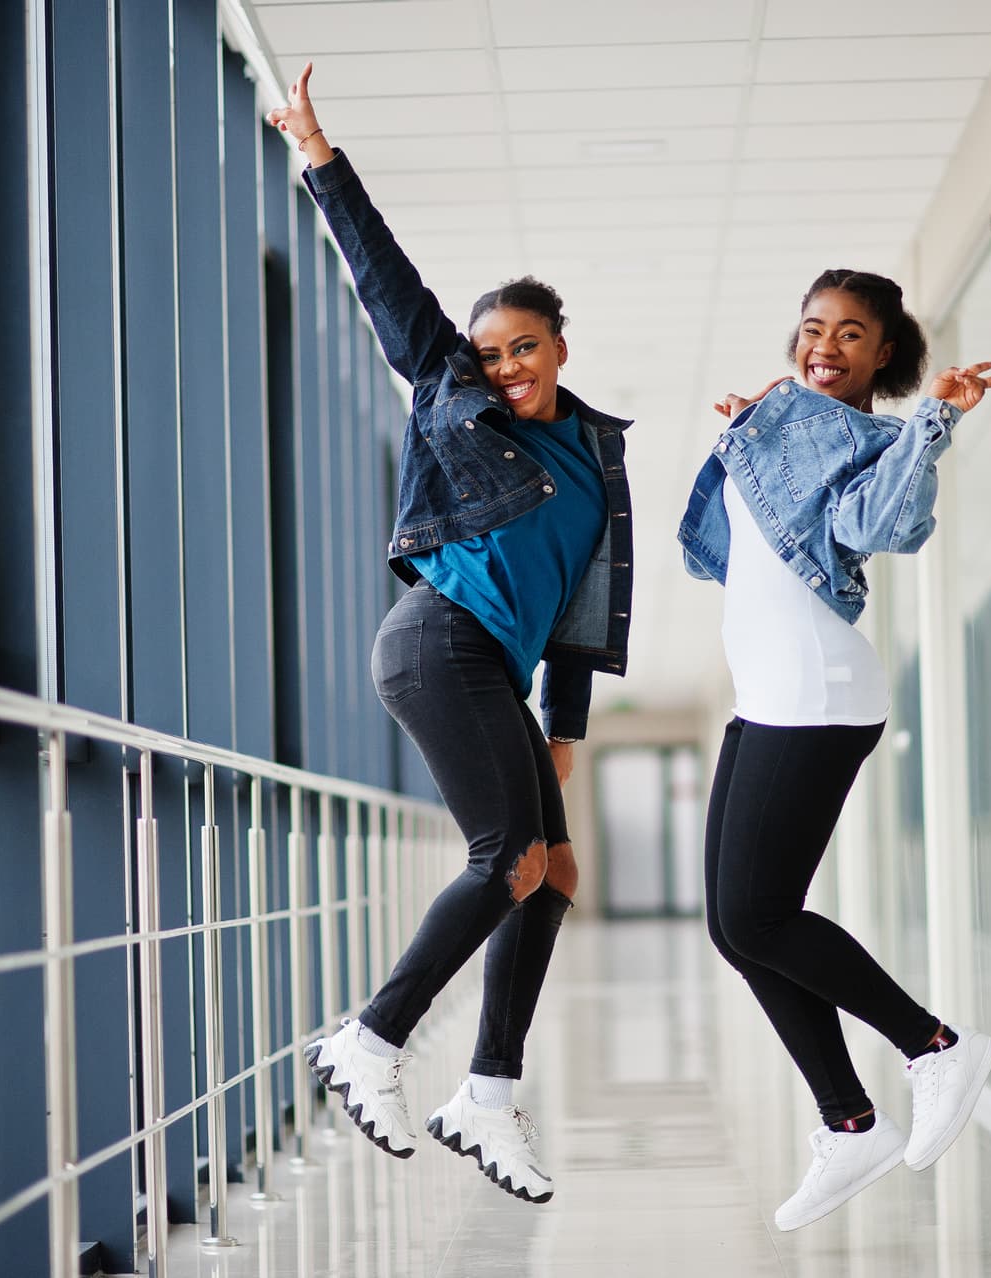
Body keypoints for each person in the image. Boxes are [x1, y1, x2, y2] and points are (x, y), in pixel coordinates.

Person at [268, 65, 633, 1206]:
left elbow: (585, 600)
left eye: (523, 347)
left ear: (560, 347)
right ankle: (369, 1043)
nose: (505, 368)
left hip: (494, 667)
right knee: (507, 862)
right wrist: (321, 158)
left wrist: (565, 726)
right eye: (488, 355)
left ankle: (485, 1094)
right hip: (436, 639)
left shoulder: (597, 455)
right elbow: (390, 286)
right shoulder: (452, 394)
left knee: (555, 871)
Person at [677, 269, 991, 1230]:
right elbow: (715, 548)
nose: (825, 345)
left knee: (759, 916)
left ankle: (933, 1046)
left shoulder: (879, 440)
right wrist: (755, 432)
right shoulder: (785, 415)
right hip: (768, 697)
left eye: (852, 334)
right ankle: (851, 1120)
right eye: (814, 327)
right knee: (736, 927)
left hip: (817, 692)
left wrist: (934, 425)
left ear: (885, 355)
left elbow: (882, 526)